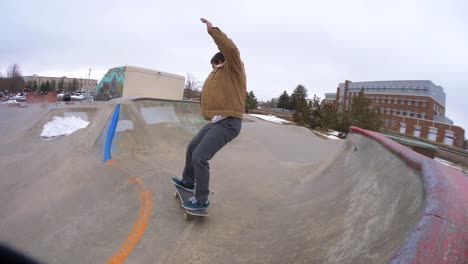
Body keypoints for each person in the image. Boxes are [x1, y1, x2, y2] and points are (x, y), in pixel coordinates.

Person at [172, 18, 247, 210]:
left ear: (221, 62)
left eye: (214, 65)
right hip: (216, 122)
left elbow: (231, 50)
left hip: (229, 123)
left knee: (200, 157)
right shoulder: (218, 74)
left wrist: (213, 31)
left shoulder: (234, 68)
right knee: (192, 148)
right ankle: (188, 181)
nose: (212, 68)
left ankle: (202, 199)